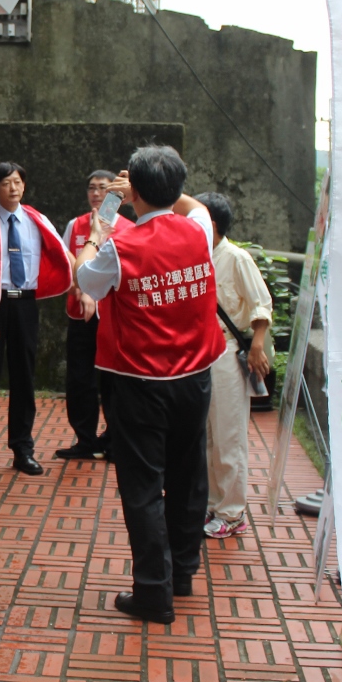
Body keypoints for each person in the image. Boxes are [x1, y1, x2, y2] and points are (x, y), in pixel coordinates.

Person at [74, 145, 225, 625]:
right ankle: (182, 573)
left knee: (142, 488)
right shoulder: (200, 230)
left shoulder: (122, 246)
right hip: (196, 377)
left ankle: (154, 592)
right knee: (187, 478)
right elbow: (193, 206)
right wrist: (152, 191)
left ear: (132, 192)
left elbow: (85, 281)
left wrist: (99, 228)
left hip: (140, 382)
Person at [0, 161, 73, 476]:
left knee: (24, 379)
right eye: (6, 183)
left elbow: (63, 255)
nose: (13, 188)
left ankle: (23, 449)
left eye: (17, 182)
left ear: (24, 185)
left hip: (25, 305)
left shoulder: (37, 220)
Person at [193, 192, 273, 540]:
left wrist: (257, 346)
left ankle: (233, 511)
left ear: (210, 224)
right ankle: (214, 502)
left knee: (228, 435)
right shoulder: (193, 257)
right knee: (208, 436)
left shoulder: (236, 258)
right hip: (199, 353)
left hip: (226, 351)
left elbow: (261, 305)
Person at [57, 170, 133, 461]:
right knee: (79, 379)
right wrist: (80, 287)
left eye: (103, 188)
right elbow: (68, 262)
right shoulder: (76, 226)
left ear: (117, 193)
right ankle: (85, 439)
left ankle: (115, 441)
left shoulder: (127, 228)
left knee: (113, 380)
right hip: (80, 316)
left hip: (115, 317)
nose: (97, 193)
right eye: (92, 188)